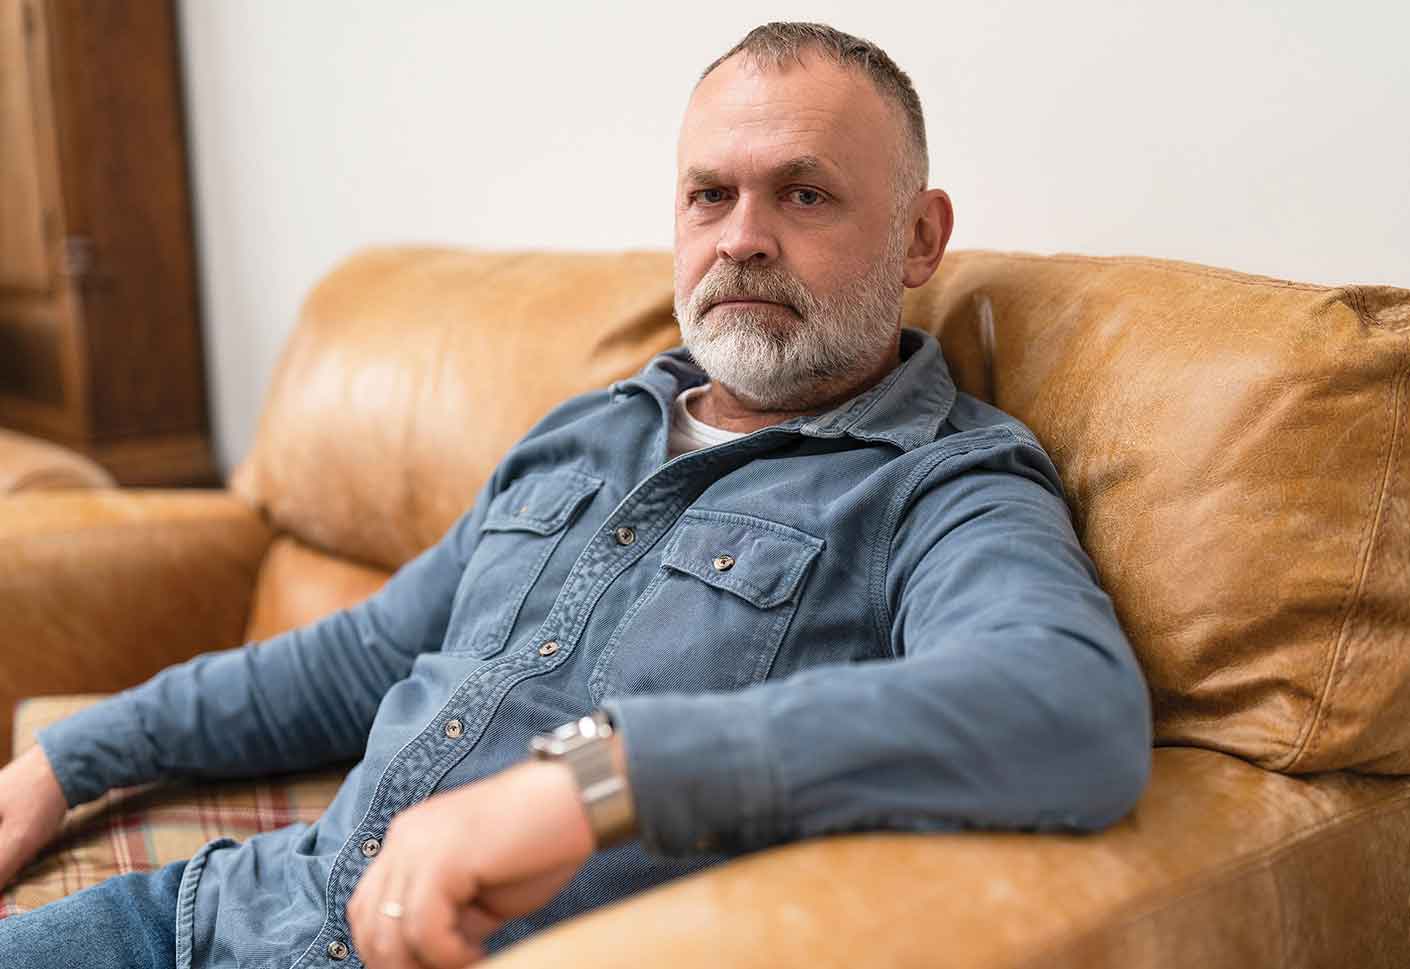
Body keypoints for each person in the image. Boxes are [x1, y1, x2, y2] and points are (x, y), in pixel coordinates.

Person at [0, 21, 1152, 969]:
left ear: (918, 238)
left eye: (804, 196)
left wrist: (604, 776)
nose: (742, 240)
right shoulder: (593, 425)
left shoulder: (943, 480)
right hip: (214, 918)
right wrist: (69, 761)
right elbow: (366, 655)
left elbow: (1068, 709)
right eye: (710, 195)